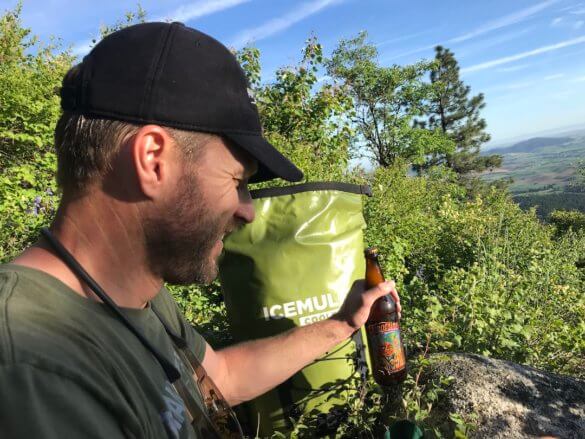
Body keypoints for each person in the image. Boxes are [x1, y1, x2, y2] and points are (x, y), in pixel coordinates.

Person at [0, 22, 400, 438]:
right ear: (153, 160)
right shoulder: (32, 368)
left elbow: (220, 378)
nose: (249, 211)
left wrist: (342, 323)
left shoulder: (138, 295)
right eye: (236, 181)